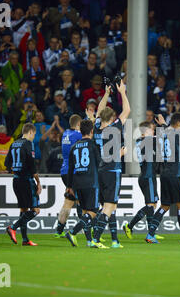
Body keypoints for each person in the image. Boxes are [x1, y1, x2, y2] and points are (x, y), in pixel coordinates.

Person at [144, 112, 180, 244]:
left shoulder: (164, 133)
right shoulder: (179, 135)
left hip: (164, 173)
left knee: (165, 205)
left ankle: (150, 234)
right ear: (179, 123)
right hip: (176, 174)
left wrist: (163, 124)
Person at [90, 80, 130, 249]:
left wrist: (106, 93)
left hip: (100, 169)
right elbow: (127, 110)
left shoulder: (97, 127)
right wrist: (122, 92)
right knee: (110, 206)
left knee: (106, 206)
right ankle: (96, 239)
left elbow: (99, 110)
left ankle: (102, 237)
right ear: (112, 118)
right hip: (113, 169)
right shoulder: (115, 128)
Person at [123, 121, 163, 240]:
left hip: (146, 175)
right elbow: (162, 137)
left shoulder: (140, 141)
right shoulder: (148, 141)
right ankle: (130, 226)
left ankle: (151, 231)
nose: (154, 131)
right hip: (148, 176)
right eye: (152, 129)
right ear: (146, 131)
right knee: (150, 206)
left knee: (152, 204)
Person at [65, 119, 101, 247]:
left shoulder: (74, 146)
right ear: (92, 131)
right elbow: (99, 164)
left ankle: (89, 241)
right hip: (91, 182)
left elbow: (70, 168)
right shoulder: (93, 145)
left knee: (86, 212)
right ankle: (73, 232)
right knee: (94, 211)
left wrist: (69, 186)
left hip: (78, 182)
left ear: (80, 131)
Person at [5, 123, 41, 246]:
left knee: (24, 209)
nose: (34, 137)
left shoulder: (14, 143)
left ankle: (25, 239)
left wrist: (16, 169)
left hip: (16, 180)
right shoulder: (28, 144)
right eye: (34, 134)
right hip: (26, 180)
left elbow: (7, 162)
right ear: (30, 132)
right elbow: (31, 164)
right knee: (35, 210)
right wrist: (38, 182)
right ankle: (13, 227)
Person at [54, 114, 82, 238]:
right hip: (74, 172)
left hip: (64, 171)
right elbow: (88, 136)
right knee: (82, 201)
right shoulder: (77, 135)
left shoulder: (65, 133)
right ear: (78, 125)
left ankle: (59, 230)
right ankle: (87, 228)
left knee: (69, 201)